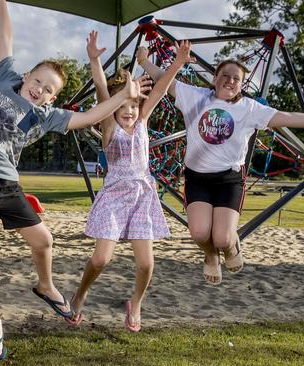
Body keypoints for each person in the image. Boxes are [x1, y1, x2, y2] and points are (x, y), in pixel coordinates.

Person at [0, 0, 150, 361]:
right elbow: (4, 36)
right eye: (37, 81)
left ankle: (46, 285)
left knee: (44, 241)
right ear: (26, 76)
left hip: (6, 184)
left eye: (48, 90)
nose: (39, 90)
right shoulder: (6, 78)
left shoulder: (48, 117)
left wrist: (122, 96)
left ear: (53, 99)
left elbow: (90, 117)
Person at [137, 45, 304, 286]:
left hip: (229, 180)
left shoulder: (249, 109)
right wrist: (143, 61)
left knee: (223, 238)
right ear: (214, 79)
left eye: (236, 79)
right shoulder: (193, 96)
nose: (230, 81)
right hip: (197, 178)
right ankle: (210, 254)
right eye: (225, 75)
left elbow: (286, 118)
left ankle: (231, 247)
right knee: (200, 233)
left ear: (242, 85)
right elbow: (163, 80)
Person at [66, 32, 192, 332]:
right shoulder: (109, 124)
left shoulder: (143, 120)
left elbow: (160, 89)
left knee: (147, 264)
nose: (130, 111)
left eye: (134, 105)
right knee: (100, 260)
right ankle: (80, 294)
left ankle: (135, 302)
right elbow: (100, 88)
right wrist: (95, 59)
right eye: (124, 106)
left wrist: (177, 62)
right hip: (114, 195)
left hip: (142, 196)